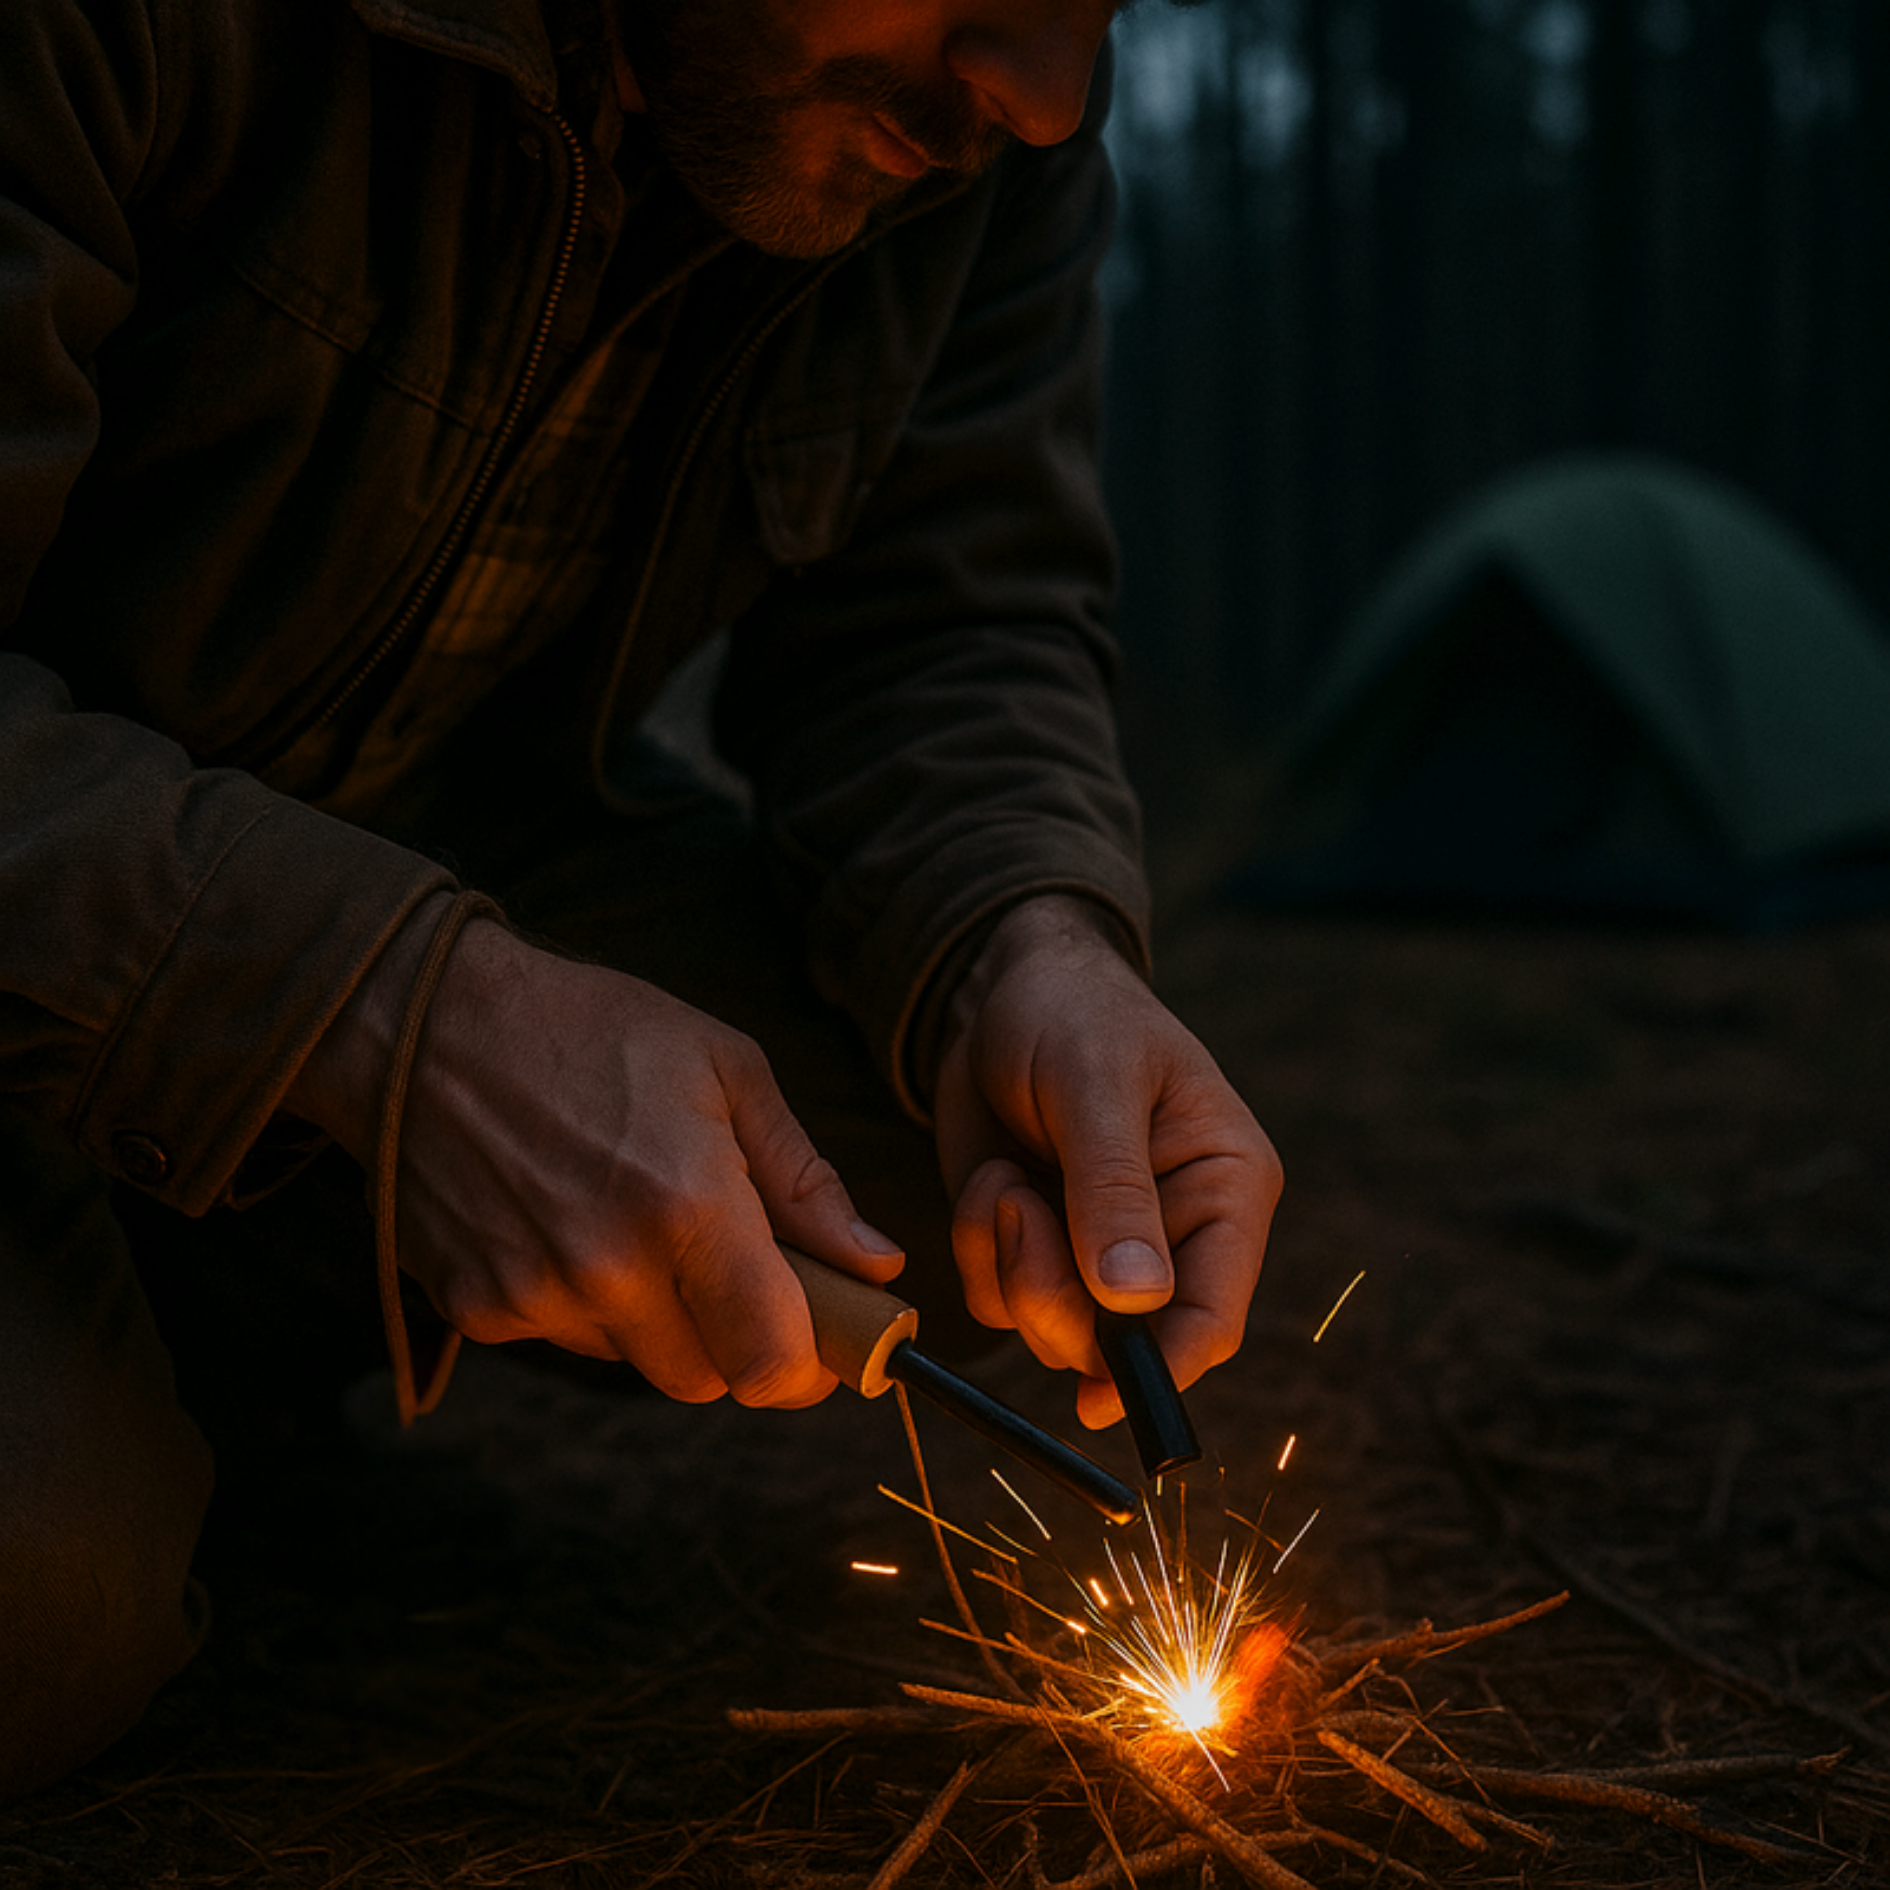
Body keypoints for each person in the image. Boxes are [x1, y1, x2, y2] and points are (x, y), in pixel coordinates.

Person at [0, 0, 1282, 1793]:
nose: (1047, 96)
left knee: (988, 1182)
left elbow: (940, 614)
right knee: (37, 1600)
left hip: (410, 838)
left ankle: (174, 1301)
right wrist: (379, 1008)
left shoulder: (966, 135)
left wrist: (1023, 936)